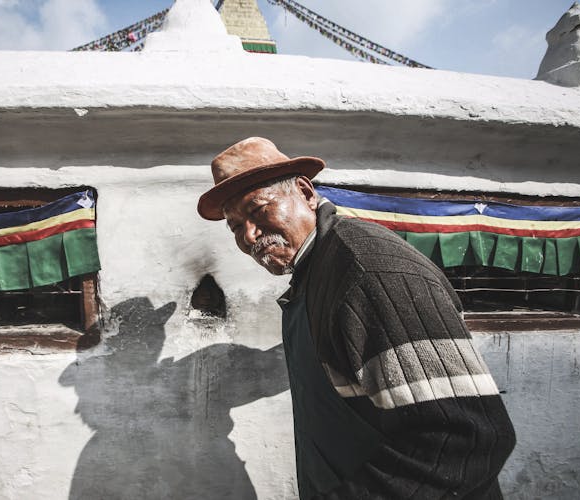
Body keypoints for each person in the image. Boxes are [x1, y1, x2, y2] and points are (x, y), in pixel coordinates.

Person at [197, 137, 516, 499]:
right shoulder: (314, 273)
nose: (249, 235)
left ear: (304, 192)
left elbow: (462, 438)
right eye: (236, 226)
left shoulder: (368, 271)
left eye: (258, 210)